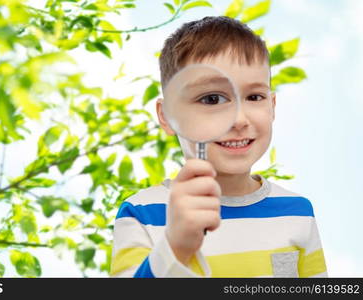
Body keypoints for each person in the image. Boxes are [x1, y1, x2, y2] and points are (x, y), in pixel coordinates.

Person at [110, 16, 327, 277]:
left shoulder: (298, 211)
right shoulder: (141, 213)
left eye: (254, 97)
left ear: (272, 107)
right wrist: (175, 248)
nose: (239, 119)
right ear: (167, 115)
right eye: (212, 99)